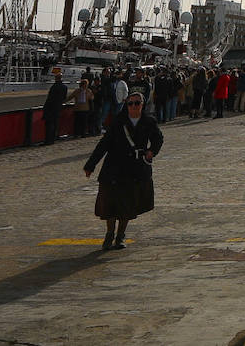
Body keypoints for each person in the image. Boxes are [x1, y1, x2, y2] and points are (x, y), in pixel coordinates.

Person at [84, 91, 164, 250]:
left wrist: (151, 151)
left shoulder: (149, 121)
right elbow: (104, 144)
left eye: (137, 103)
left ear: (142, 104)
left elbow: (158, 138)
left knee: (128, 205)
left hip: (134, 168)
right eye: (130, 103)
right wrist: (90, 165)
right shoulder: (118, 121)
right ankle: (109, 234)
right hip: (114, 167)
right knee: (110, 204)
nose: (133, 106)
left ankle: (120, 236)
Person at [43, 74, 69, 144]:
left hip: (50, 108)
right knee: (55, 124)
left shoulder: (54, 87)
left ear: (56, 78)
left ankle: (48, 140)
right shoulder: (64, 87)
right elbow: (64, 98)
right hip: (58, 108)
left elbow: (50, 98)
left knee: (49, 125)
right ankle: (53, 139)